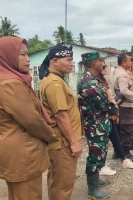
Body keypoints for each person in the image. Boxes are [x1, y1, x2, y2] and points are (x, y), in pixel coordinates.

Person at [0, 37, 57, 200]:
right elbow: (32, 120)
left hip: (16, 151)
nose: (28, 59)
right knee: (29, 195)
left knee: (18, 195)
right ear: (7, 56)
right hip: (23, 153)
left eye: (27, 54)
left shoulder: (7, 80)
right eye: (22, 54)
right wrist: (50, 136)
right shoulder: (11, 84)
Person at [39, 45, 83, 200]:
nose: (72, 63)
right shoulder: (54, 83)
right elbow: (61, 115)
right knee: (63, 184)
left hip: (61, 142)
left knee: (57, 181)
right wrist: (73, 142)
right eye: (69, 59)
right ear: (55, 61)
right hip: (63, 143)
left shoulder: (56, 80)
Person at [77, 52, 117, 199]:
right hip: (95, 126)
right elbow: (104, 103)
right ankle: (92, 189)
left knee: (100, 152)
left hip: (99, 124)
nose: (103, 63)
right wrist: (114, 109)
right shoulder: (88, 82)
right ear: (94, 63)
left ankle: (96, 180)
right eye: (101, 61)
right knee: (95, 154)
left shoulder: (92, 79)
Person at [97, 64, 133, 172]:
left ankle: (123, 158)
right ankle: (122, 156)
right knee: (122, 131)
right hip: (107, 113)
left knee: (116, 136)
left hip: (112, 110)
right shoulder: (96, 81)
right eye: (103, 67)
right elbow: (114, 95)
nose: (105, 69)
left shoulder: (104, 79)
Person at [112, 52, 133, 159]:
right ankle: (126, 153)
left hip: (121, 105)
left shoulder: (118, 71)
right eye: (130, 60)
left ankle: (118, 152)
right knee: (126, 128)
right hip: (124, 105)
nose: (131, 62)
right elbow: (124, 90)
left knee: (120, 128)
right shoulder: (123, 74)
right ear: (124, 62)